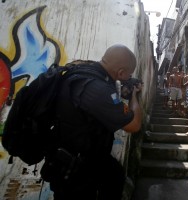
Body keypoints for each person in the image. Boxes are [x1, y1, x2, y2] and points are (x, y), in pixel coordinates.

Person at [41, 44, 142, 200]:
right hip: (76, 171)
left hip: (78, 159)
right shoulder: (97, 89)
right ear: (121, 72)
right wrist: (134, 96)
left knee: (115, 174)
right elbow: (134, 125)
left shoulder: (83, 72)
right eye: (128, 75)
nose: (128, 78)